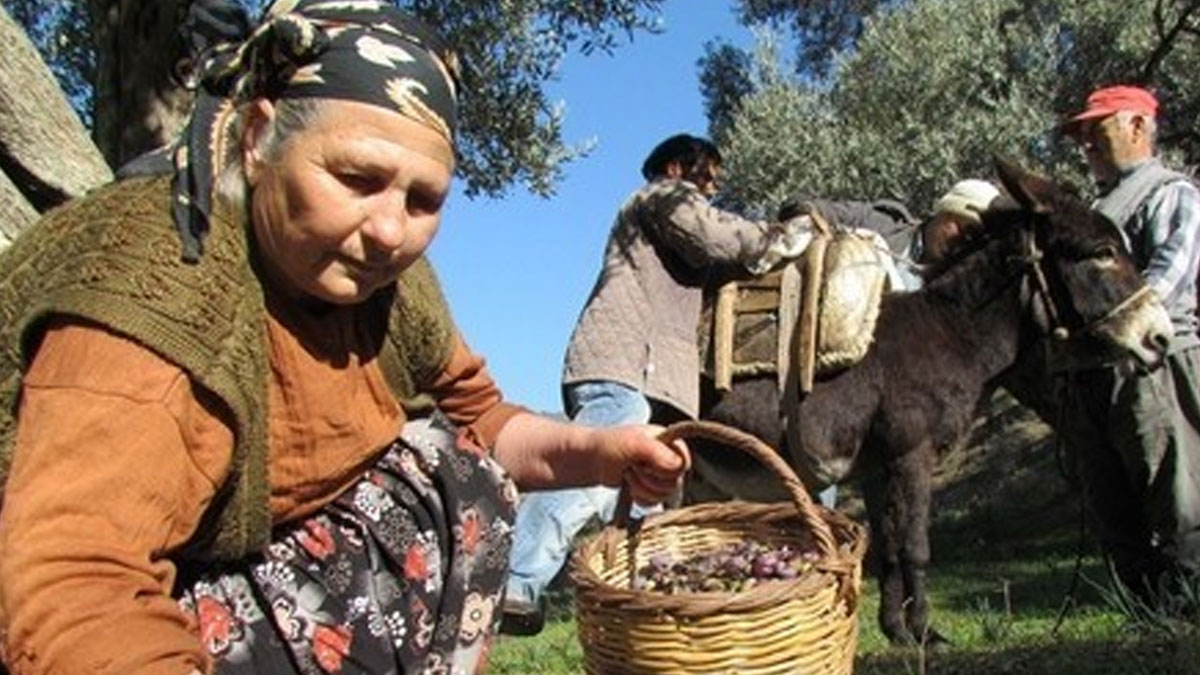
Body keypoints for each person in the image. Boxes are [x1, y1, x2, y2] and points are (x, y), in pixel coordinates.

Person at [0, 2, 690, 673]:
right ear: (258, 138)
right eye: (357, 178)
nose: (391, 229)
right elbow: (70, 584)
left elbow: (483, 422)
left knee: (456, 472)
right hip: (91, 592)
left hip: (242, 558)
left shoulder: (388, 284)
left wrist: (602, 453)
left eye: (423, 201)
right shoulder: (156, 293)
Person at [501, 134, 815, 634]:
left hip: (655, 375)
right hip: (624, 359)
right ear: (675, 168)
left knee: (648, 491)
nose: (712, 187)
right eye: (707, 174)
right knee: (585, 472)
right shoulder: (661, 197)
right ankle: (512, 581)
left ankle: (636, 607)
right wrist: (776, 237)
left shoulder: (675, 224)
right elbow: (717, 236)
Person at [1057, 84, 1200, 607]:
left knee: (1176, 500)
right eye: (1083, 137)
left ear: (1138, 126)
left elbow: (1169, 278)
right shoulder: (1100, 205)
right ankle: (1146, 618)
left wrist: (1103, 324)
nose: (1087, 146)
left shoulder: (1171, 191)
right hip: (1095, 372)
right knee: (1114, 505)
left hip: (1153, 366)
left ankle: (1188, 621)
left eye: (1097, 131)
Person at [895, 178, 1003, 290]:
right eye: (962, 230)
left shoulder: (958, 289)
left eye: (971, 239)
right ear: (944, 212)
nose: (961, 242)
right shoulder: (885, 231)